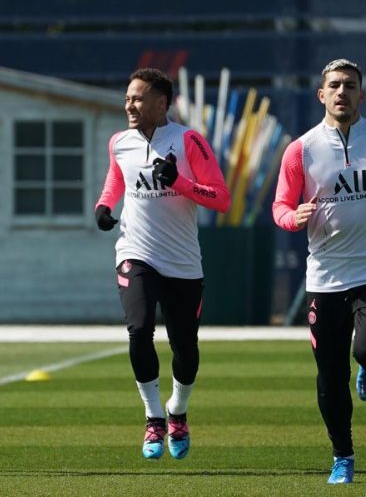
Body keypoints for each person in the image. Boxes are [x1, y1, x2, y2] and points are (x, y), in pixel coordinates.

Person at [272, 58, 366, 484]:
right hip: (325, 275)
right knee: (329, 376)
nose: (342, 92)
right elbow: (280, 205)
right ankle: (343, 456)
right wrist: (291, 217)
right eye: (334, 85)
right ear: (322, 95)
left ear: (361, 94)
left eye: (350, 86)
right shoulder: (300, 150)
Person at [94, 68, 230, 460]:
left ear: (161, 103)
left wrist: (181, 183)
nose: (129, 105)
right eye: (127, 98)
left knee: (184, 348)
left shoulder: (189, 141)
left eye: (137, 98)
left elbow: (220, 197)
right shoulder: (119, 142)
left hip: (183, 262)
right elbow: (115, 179)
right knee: (138, 330)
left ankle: (177, 410)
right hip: (135, 252)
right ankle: (154, 417)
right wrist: (104, 206)